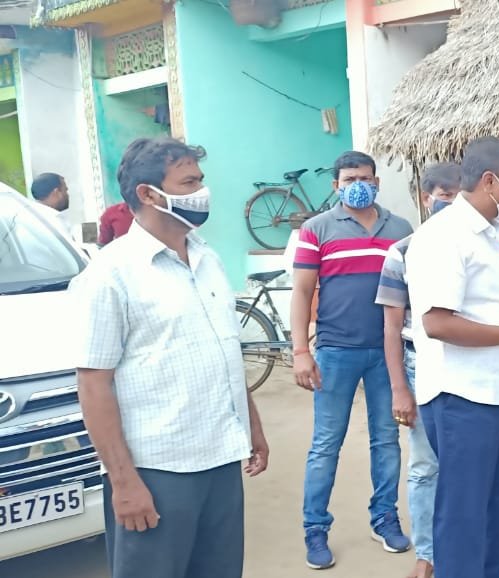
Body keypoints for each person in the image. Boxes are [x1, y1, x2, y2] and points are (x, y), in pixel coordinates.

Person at [73, 137, 268, 578]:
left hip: (221, 458)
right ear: (148, 194)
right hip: (158, 470)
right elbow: (93, 384)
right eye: (189, 182)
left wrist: (251, 426)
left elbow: (223, 349)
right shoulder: (110, 274)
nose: (203, 191)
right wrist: (123, 481)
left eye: (200, 180)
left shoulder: (207, 258)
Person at [405, 136, 499, 578]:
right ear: (489, 181)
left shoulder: (492, 236)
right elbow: (437, 323)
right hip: (460, 397)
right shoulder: (444, 237)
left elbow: (494, 310)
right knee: (464, 515)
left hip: (498, 393)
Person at [292, 151, 414, 569]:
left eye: (364, 177)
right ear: (336, 185)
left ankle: (385, 518)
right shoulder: (316, 229)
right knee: (326, 444)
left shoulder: (400, 229)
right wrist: (300, 351)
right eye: (349, 179)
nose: (357, 184)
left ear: (377, 182)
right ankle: (315, 529)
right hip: (335, 351)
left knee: (387, 439)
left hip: (387, 353)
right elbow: (302, 292)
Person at [376, 162, 462, 578]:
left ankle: (478, 540)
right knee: (426, 463)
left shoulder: (484, 245)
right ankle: (427, 553)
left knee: (472, 461)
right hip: (420, 363)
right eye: (444, 194)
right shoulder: (403, 252)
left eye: (458, 194)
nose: (451, 202)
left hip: (471, 364)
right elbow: (392, 328)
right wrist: (399, 389)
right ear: (426, 198)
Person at [30, 172, 75, 239]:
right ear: (56, 192)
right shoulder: (52, 222)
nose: (67, 195)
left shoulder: (33, 217)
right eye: (65, 191)